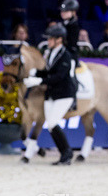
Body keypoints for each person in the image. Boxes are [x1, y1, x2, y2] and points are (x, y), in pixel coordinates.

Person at [22, 24, 76, 165]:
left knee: (52, 122)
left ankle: (67, 152)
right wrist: (37, 73)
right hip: (51, 94)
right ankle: (65, 153)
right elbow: (49, 72)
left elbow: (59, 76)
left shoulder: (65, 55)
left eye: (51, 38)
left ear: (59, 39)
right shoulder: (50, 52)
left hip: (64, 94)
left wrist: (39, 80)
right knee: (51, 125)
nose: (48, 41)